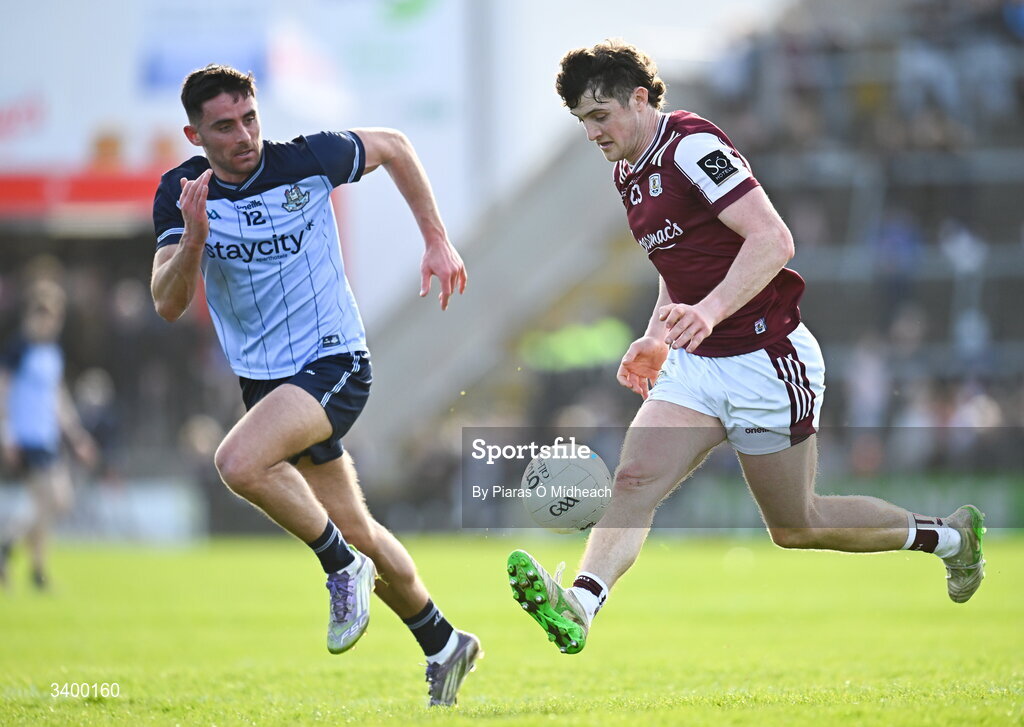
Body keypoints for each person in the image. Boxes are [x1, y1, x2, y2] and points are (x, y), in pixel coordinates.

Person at [505, 40, 986, 655]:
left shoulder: (692, 146)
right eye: (582, 123)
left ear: (640, 99)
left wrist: (708, 311)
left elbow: (773, 239)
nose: (593, 132)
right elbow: (678, 266)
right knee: (633, 479)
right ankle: (581, 603)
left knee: (797, 525)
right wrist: (657, 337)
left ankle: (948, 538)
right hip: (696, 367)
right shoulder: (628, 170)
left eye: (600, 116)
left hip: (767, 361)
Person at [150, 65, 479, 705]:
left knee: (238, 462)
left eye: (249, 118)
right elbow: (167, 302)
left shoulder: (307, 159)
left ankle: (338, 566)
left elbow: (395, 146)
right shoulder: (181, 194)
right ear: (195, 134)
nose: (244, 135)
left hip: (336, 362)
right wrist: (193, 239)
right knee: (358, 530)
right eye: (224, 126)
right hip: (270, 388)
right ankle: (444, 642)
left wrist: (436, 240)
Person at [0, 278, 97, 590]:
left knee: (53, 503)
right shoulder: (18, 348)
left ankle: (23, 558)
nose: (53, 324)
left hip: (47, 436)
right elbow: (3, 391)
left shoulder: (53, 351)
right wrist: (8, 434)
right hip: (26, 436)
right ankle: (30, 565)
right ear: (35, 315)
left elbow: (58, 398)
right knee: (52, 500)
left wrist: (76, 435)